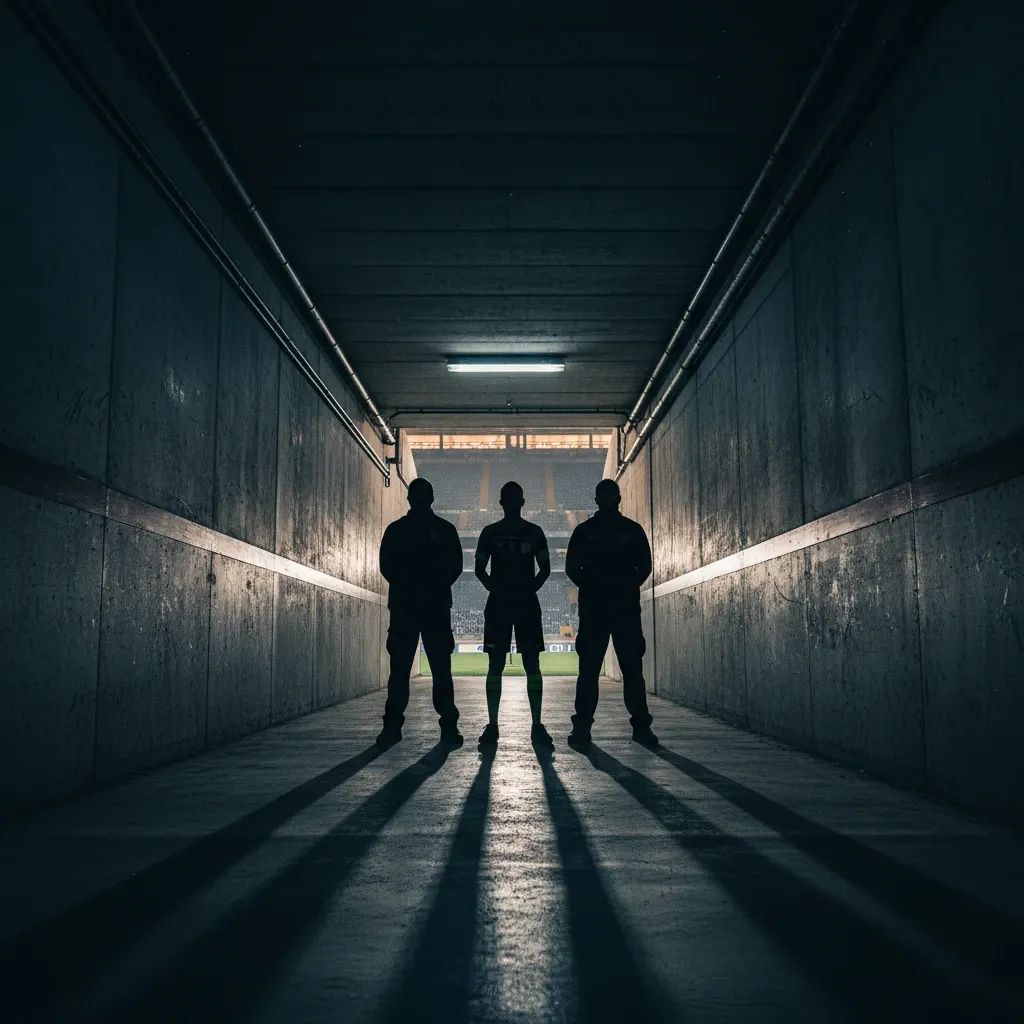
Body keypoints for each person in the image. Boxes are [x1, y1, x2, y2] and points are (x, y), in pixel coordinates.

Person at [565, 478, 658, 748]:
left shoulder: (585, 531)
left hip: (595, 609)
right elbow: (645, 567)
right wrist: (626, 586)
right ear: (618, 499)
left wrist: (592, 586)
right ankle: (641, 727)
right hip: (625, 609)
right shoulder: (631, 529)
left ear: (598, 500)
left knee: (590, 671)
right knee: (631, 671)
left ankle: (582, 728)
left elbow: (572, 568)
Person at [377, 478, 463, 747]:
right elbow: (456, 567)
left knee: (399, 670)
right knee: (441, 670)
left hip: (404, 608)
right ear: (432, 499)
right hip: (436, 609)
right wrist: (435, 587)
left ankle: (392, 727)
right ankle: (449, 727)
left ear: (409, 499)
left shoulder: (396, 530)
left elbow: (386, 567)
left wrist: (406, 587)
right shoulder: (445, 530)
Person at [474, 481, 553, 747]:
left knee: (495, 666)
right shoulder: (534, 532)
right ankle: (536, 726)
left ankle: (494, 725)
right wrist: (529, 589)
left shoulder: (490, 532)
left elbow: (479, 570)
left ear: (503, 502)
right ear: (522, 502)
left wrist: (495, 589)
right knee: (532, 666)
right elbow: (544, 570)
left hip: (499, 605)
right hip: (525, 605)